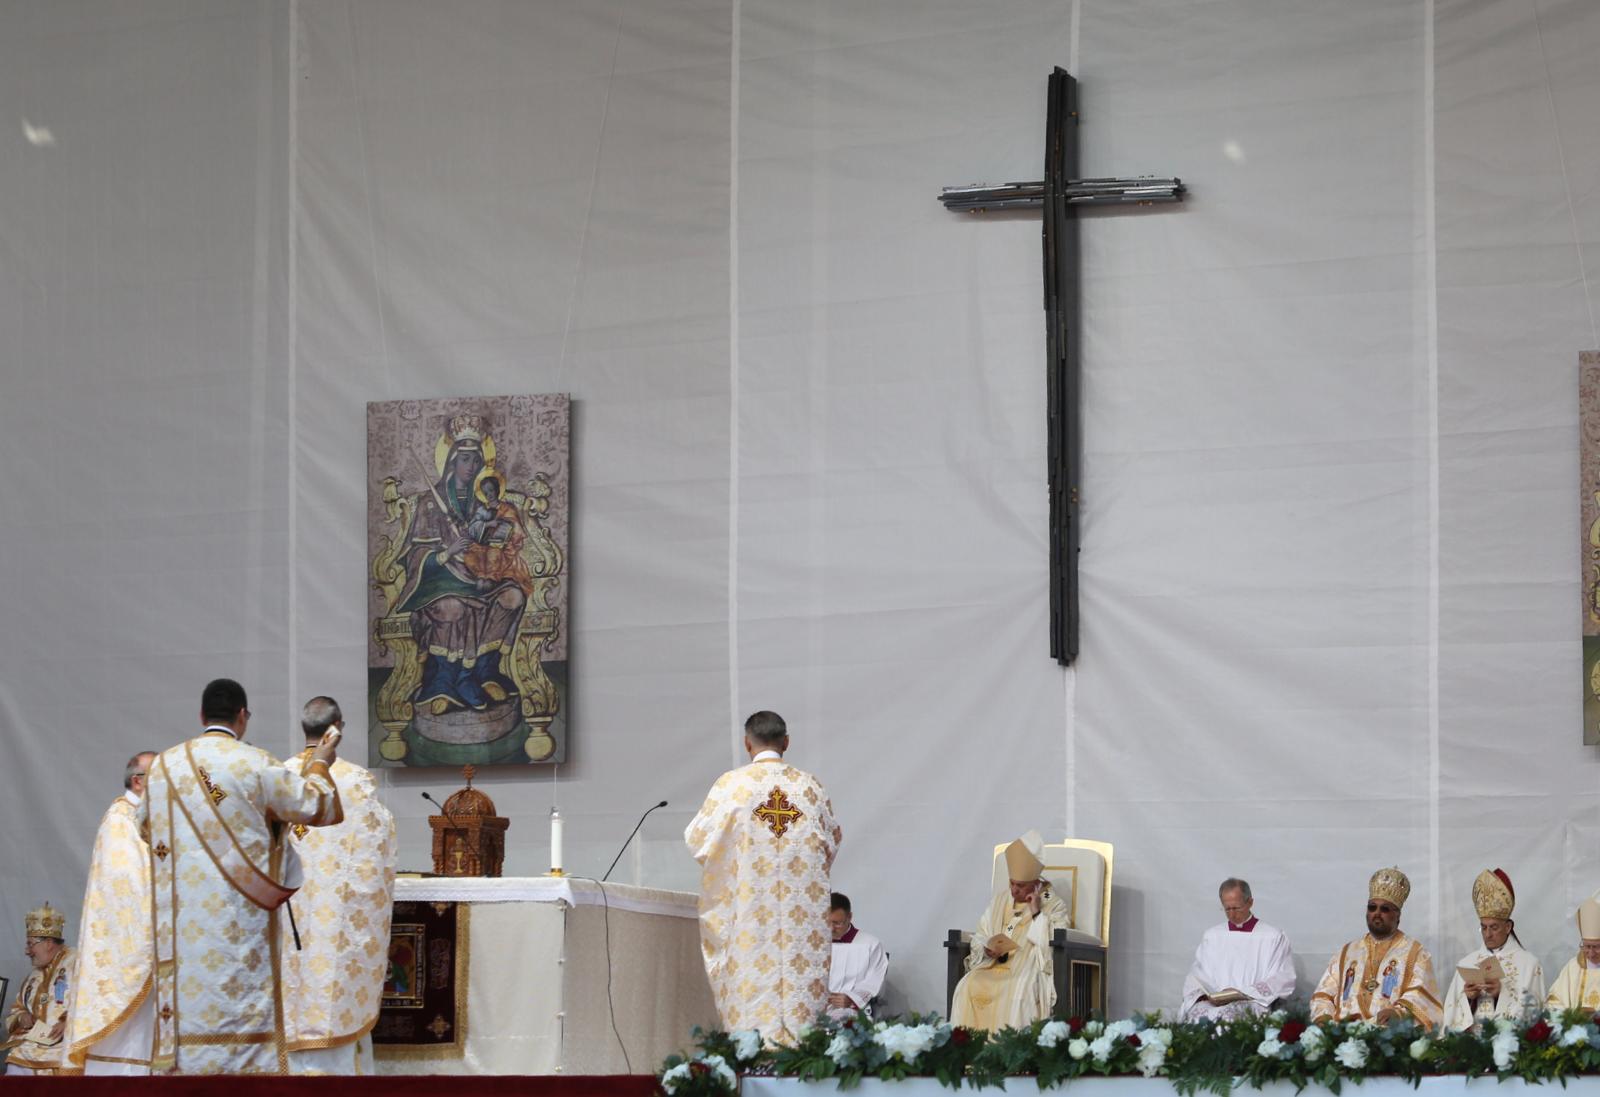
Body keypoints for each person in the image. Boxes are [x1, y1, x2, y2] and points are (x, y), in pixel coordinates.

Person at [137, 678, 344, 1074]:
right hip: (239, 918)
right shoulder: (256, 762)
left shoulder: (163, 766)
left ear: (201, 716)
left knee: (188, 1002)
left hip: (181, 923)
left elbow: (145, 827)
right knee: (240, 994)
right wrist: (319, 762)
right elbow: (317, 807)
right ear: (243, 716)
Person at [686, 710, 842, 1044]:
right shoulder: (810, 787)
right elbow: (831, 843)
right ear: (786, 742)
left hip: (750, 919)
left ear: (747, 744)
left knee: (751, 998)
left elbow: (698, 840)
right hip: (803, 924)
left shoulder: (732, 786)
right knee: (801, 1011)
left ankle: (752, 1062)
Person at [280, 697, 399, 1075]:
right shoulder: (355, 780)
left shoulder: (279, 775)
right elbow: (373, 848)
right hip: (333, 921)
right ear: (337, 729)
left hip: (287, 914)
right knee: (329, 981)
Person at [394, 415, 528, 714]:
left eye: (475, 460)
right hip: (440, 579)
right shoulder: (432, 503)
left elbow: (495, 538)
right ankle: (445, 682)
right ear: (452, 461)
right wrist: (447, 553)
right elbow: (413, 556)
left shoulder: (483, 503)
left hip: (480, 572)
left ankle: (484, 672)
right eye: (465, 459)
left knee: (513, 596)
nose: (471, 467)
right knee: (454, 607)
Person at [63, 752, 158, 1075]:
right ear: (138, 781)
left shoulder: (149, 817)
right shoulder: (120, 819)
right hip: (129, 943)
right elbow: (125, 884)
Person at [950, 831, 1073, 1029]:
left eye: (1021, 886)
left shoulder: (1053, 903)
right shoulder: (1001, 900)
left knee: (1018, 991)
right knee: (967, 985)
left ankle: (1010, 1056)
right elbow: (982, 932)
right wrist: (985, 948)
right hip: (992, 965)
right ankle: (969, 1052)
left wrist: (1036, 915)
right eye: (1012, 883)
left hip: (1027, 967)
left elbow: (1054, 942)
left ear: (1036, 884)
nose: (1014, 891)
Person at [1310, 866, 1441, 1026]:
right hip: (1343, 1036)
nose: (1377, 913)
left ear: (1398, 915)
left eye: (1384, 909)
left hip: (1387, 1035)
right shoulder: (1347, 952)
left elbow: (1420, 994)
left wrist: (1398, 1012)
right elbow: (1324, 994)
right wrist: (1324, 1018)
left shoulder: (1415, 953)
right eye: (1372, 907)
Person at [1177, 877, 1295, 1021]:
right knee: (1197, 1013)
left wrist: (1242, 993)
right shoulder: (1213, 936)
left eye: (1236, 908)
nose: (1232, 914)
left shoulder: (1272, 936)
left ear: (1250, 902)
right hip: (1214, 1002)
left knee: (1229, 1016)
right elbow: (1197, 975)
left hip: (1252, 1000)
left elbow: (1282, 977)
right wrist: (1207, 995)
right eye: (1227, 909)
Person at [1440, 869, 1544, 1031]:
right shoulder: (1467, 963)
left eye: (1494, 927)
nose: (1487, 934)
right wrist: (1469, 998)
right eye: (1484, 927)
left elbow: (1534, 1012)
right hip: (1469, 1046)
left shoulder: (1529, 964)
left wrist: (1501, 995)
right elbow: (1450, 1012)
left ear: (1508, 927)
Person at [3, 904, 74, 1075]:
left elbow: (97, 1001)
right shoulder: (33, 976)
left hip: (64, 1045)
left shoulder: (78, 962)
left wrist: (69, 1023)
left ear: (48, 943)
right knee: (15, 1061)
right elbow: (17, 1008)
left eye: (30, 944)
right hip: (29, 1047)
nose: (27, 951)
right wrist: (21, 1018)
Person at [825, 893, 889, 1020]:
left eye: (837, 923)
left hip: (849, 1009)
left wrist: (852, 999)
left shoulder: (870, 944)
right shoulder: (813, 945)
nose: (831, 929)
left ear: (849, 917)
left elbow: (875, 979)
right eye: (828, 923)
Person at [1545, 897, 1600, 1011]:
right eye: (1586, 946)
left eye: (1596, 947)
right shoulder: (1573, 967)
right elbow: (1554, 1001)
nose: (1591, 953)